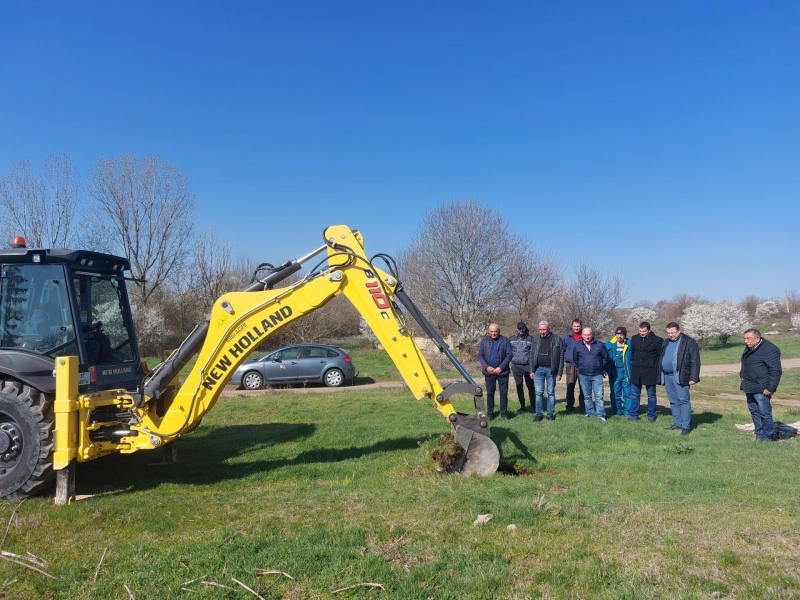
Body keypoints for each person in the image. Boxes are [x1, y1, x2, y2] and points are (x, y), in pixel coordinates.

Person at [740, 328, 782, 441]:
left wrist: (771, 388)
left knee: (764, 412)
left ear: (757, 338)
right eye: (744, 338)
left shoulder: (770, 349)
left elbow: (775, 371)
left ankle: (769, 436)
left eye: (748, 338)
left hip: (762, 387)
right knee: (754, 411)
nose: (746, 341)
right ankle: (759, 434)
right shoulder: (749, 348)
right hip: (749, 385)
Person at [658, 322, 700, 435]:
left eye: (673, 333)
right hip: (667, 376)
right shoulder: (666, 342)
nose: (670, 335)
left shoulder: (689, 341)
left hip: (681, 376)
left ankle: (686, 426)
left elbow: (695, 361)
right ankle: (678, 423)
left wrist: (693, 377)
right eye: (668, 333)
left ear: (679, 331)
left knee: (683, 400)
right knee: (673, 401)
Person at [528, 321, 564, 421]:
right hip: (538, 369)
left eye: (544, 329)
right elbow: (531, 355)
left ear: (548, 329)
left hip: (551, 370)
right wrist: (531, 370)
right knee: (539, 392)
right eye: (540, 329)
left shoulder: (557, 339)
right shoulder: (535, 339)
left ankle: (550, 414)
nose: (542, 332)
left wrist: (559, 372)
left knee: (551, 393)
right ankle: (538, 414)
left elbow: (561, 357)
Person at [572, 327, 609, 421]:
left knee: (599, 396)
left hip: (597, 374)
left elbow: (605, 358)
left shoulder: (600, 345)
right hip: (583, 375)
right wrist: (581, 367)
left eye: (589, 335)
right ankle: (590, 413)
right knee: (587, 396)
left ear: (592, 335)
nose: (587, 337)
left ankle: (601, 415)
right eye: (585, 335)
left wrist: (602, 368)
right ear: (582, 335)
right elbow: (575, 359)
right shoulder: (577, 346)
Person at [477, 323, 512, 420]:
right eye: (491, 331)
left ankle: (504, 414)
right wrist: (486, 367)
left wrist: (500, 368)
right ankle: (490, 414)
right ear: (489, 332)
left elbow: (509, 355)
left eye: (495, 331)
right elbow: (480, 355)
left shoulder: (505, 341)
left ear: (499, 331)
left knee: (503, 393)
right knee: (490, 393)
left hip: (502, 372)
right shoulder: (484, 341)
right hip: (489, 372)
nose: (493, 333)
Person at [629, 322, 662, 422]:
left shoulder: (657, 340)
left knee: (651, 395)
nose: (641, 333)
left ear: (649, 330)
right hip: (636, 372)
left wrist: (654, 366)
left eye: (644, 331)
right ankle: (633, 415)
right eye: (640, 331)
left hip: (650, 372)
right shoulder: (634, 339)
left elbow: (660, 355)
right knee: (634, 394)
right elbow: (633, 352)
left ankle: (651, 415)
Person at [508, 322, 536, 412]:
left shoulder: (531, 339)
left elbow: (533, 354)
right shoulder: (511, 339)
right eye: (519, 328)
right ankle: (522, 406)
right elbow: (508, 352)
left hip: (527, 366)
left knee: (530, 386)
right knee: (519, 386)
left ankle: (533, 406)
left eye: (522, 328)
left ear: (525, 328)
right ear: (517, 328)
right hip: (516, 366)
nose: (521, 330)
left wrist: (532, 367)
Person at [605, 327, 632, 417]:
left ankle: (627, 411)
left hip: (626, 371)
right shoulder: (609, 344)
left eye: (622, 334)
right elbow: (604, 358)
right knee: (615, 393)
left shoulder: (630, 343)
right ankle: (617, 411)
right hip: (615, 371)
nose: (619, 336)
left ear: (625, 335)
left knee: (628, 393)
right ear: (615, 334)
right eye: (618, 334)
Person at [562, 319, 585, 412]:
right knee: (570, 385)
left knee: (583, 386)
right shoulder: (566, 337)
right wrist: (566, 359)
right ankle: (570, 405)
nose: (576, 328)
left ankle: (583, 405)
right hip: (570, 365)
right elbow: (562, 350)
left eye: (578, 326)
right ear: (572, 326)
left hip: (582, 366)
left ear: (581, 326)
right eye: (575, 326)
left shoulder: (585, 336)